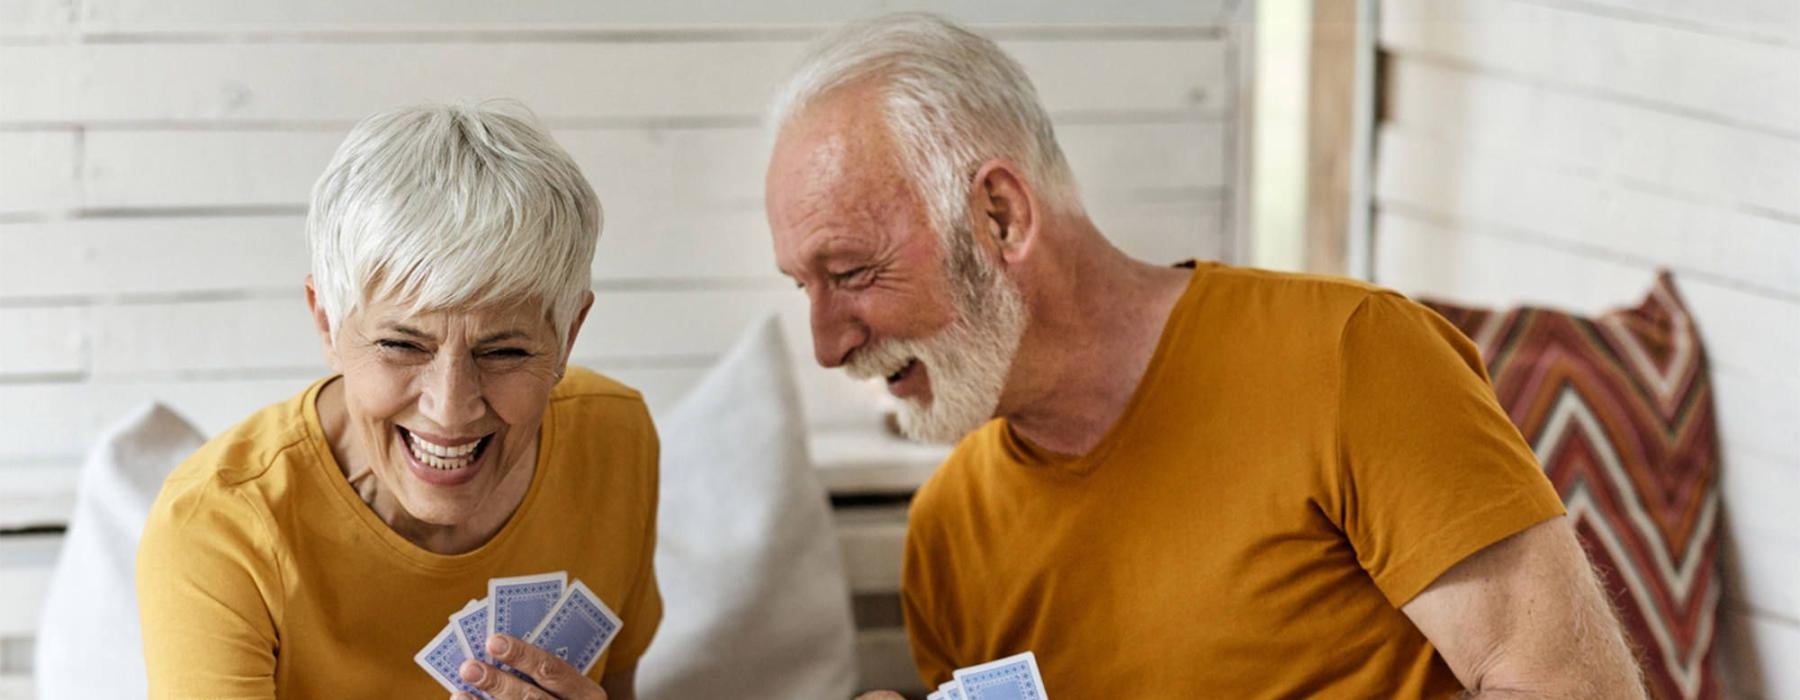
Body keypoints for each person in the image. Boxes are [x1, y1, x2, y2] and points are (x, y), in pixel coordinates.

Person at [763, 13, 1646, 698]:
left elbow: (1573, 689)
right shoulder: (949, 532)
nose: (829, 343)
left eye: (851, 272)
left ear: (1000, 216)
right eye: (806, 287)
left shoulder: (1354, 356)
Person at [136, 103, 660, 700]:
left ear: (567, 335)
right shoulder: (219, 526)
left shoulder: (617, 439)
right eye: (401, 344)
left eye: (504, 352)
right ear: (327, 324)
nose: (451, 407)